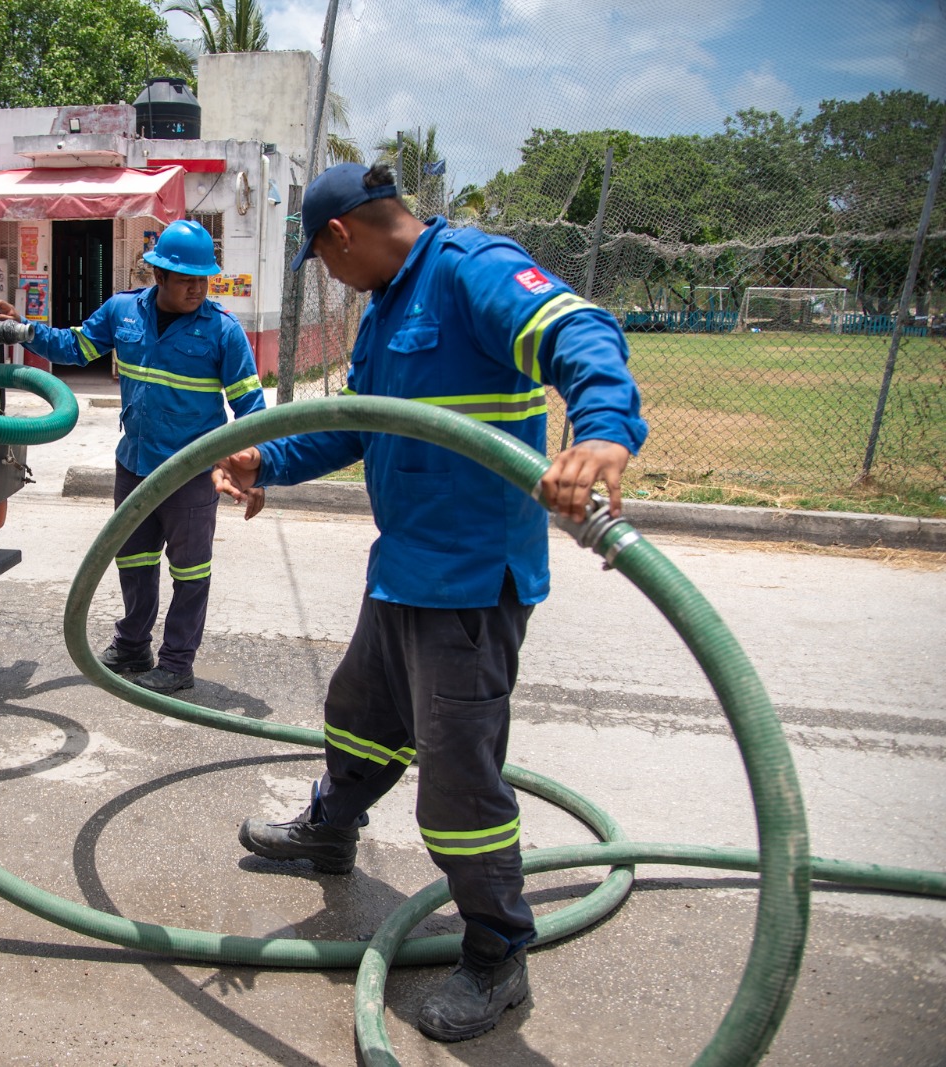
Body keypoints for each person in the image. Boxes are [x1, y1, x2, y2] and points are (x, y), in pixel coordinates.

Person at [212, 162, 646, 1043]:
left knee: (457, 786)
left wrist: (602, 429)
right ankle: (331, 829)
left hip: (471, 584)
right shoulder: (386, 309)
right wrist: (268, 461)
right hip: (403, 570)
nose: (332, 279)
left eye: (324, 261)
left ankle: (496, 952)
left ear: (341, 235)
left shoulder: (470, 271)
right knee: (359, 715)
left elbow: (581, 329)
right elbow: (358, 424)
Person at [0, 219, 267, 694]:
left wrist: (258, 473)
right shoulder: (123, 311)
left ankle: (177, 664)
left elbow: (252, 410)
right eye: (186, 280)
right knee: (134, 562)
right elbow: (76, 347)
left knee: (190, 573)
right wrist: (24, 330)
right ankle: (134, 646)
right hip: (134, 465)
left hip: (190, 474)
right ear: (158, 275)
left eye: (204, 280)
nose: (197, 289)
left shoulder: (224, 331)